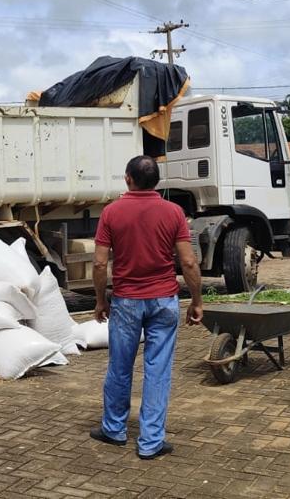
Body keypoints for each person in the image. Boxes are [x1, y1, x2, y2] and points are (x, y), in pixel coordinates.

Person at [90, 155, 203, 460]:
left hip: (126, 301)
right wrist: (196, 300)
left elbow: (100, 263)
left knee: (120, 367)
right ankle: (151, 442)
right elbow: (189, 261)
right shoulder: (174, 213)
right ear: (157, 181)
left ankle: (113, 430)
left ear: (128, 178)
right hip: (164, 300)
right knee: (157, 370)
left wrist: (101, 300)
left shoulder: (112, 212)